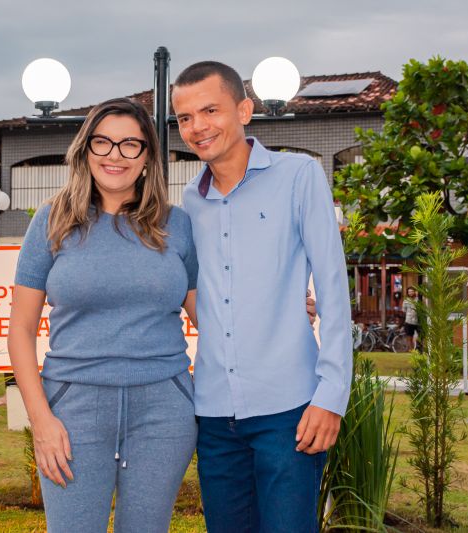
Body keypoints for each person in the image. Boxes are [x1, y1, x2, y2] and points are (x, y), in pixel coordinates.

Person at [172, 61, 352, 533]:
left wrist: (331, 396)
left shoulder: (300, 176)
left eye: (210, 110)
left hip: (290, 409)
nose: (197, 127)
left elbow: (333, 290)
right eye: (185, 118)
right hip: (213, 413)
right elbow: (198, 296)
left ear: (245, 110)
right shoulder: (190, 204)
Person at [7, 98, 199, 533]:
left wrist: (276, 300)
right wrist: (41, 420)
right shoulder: (51, 221)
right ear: (85, 150)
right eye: (104, 142)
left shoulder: (178, 225)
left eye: (130, 144)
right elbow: (19, 331)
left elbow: (207, 314)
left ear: (148, 156)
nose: (115, 154)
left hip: (164, 409)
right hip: (72, 410)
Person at [402, 287, 420, 351]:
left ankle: (419, 348)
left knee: (420, 335)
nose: (411, 293)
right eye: (409, 292)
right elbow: (404, 310)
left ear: (415, 292)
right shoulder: (406, 301)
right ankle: (411, 350)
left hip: (418, 321)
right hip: (409, 321)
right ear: (407, 293)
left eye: (412, 291)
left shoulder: (418, 300)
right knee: (409, 336)